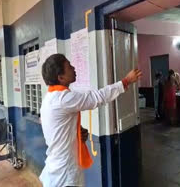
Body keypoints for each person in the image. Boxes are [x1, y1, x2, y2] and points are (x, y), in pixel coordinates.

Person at [39, 54, 142, 187]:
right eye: (69, 66)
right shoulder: (63, 99)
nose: (73, 68)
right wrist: (126, 81)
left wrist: (75, 132)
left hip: (57, 169)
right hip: (64, 174)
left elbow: (51, 124)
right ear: (61, 77)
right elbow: (96, 97)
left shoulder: (50, 98)